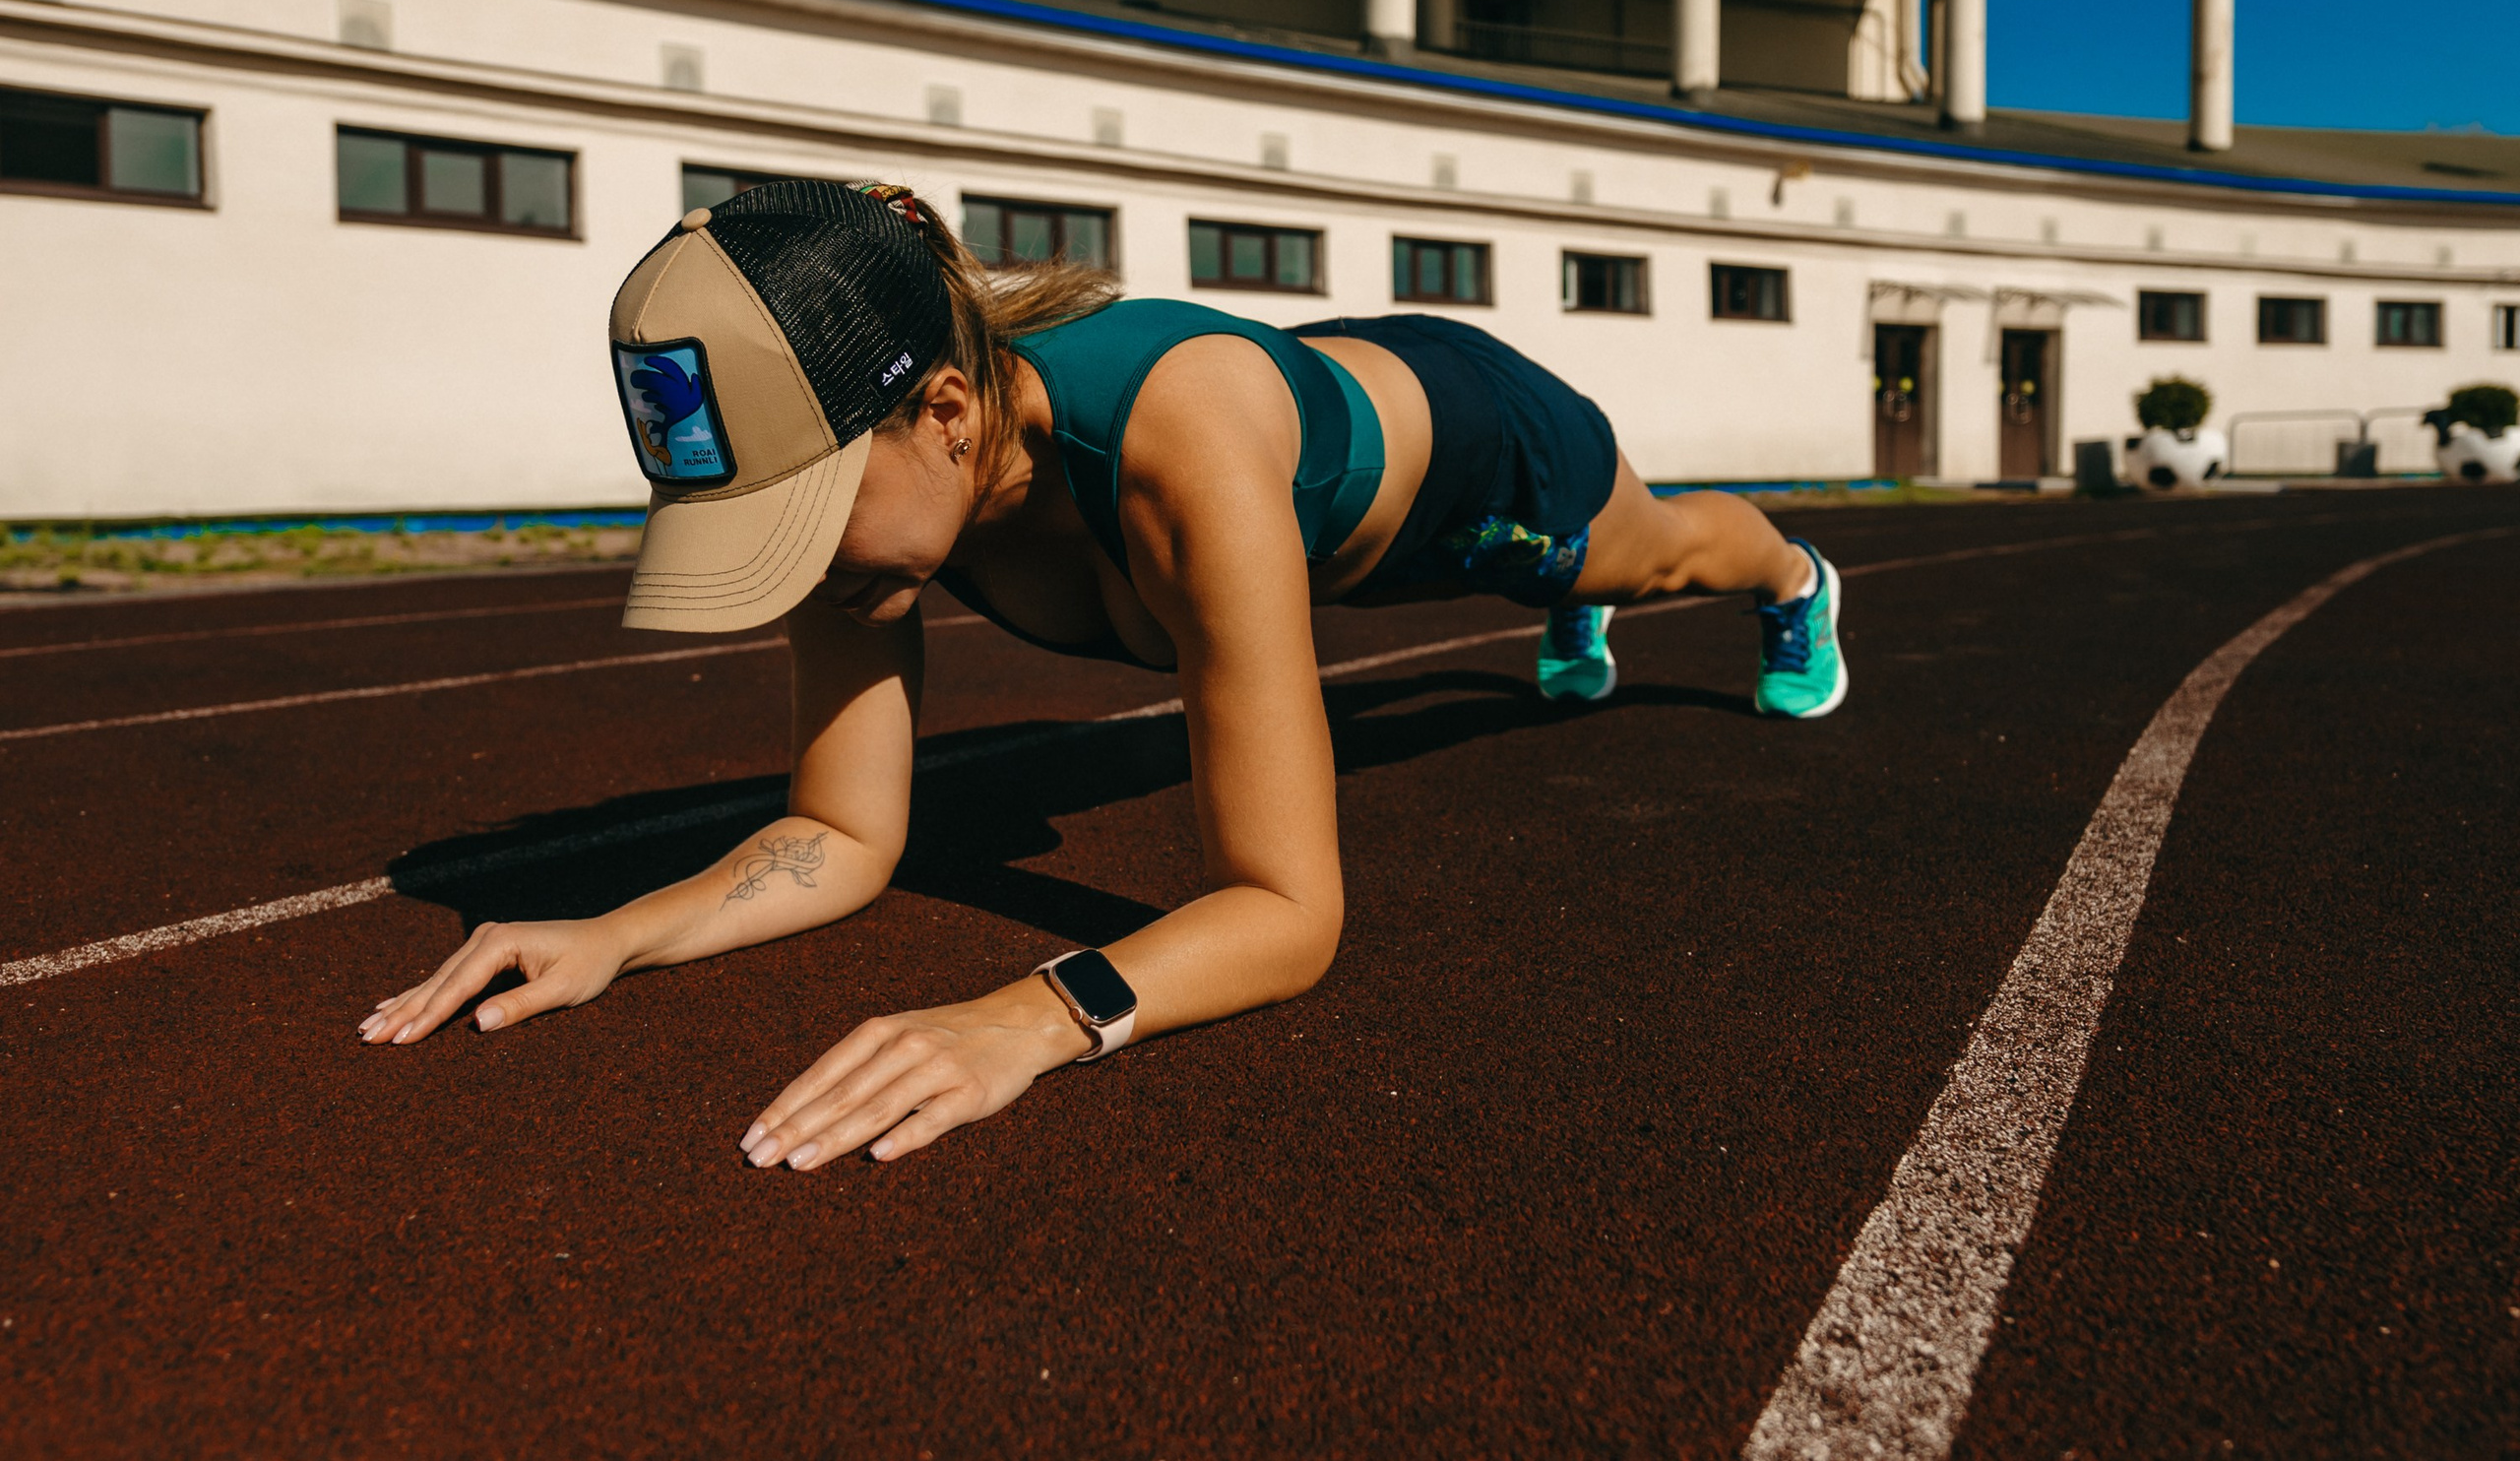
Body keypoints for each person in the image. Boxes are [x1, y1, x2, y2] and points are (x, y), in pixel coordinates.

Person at [358, 180, 1848, 1170]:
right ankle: (1574, 622)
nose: (790, 570)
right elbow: (843, 831)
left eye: (798, 518)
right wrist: (620, 931)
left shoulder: (1177, 443)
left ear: (949, 413)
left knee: (1652, 558)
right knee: (1515, 612)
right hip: (1307, 481)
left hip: (1477, 456)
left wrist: (1027, 1017)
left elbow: (1289, 911)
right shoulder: (881, 508)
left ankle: (1792, 584)